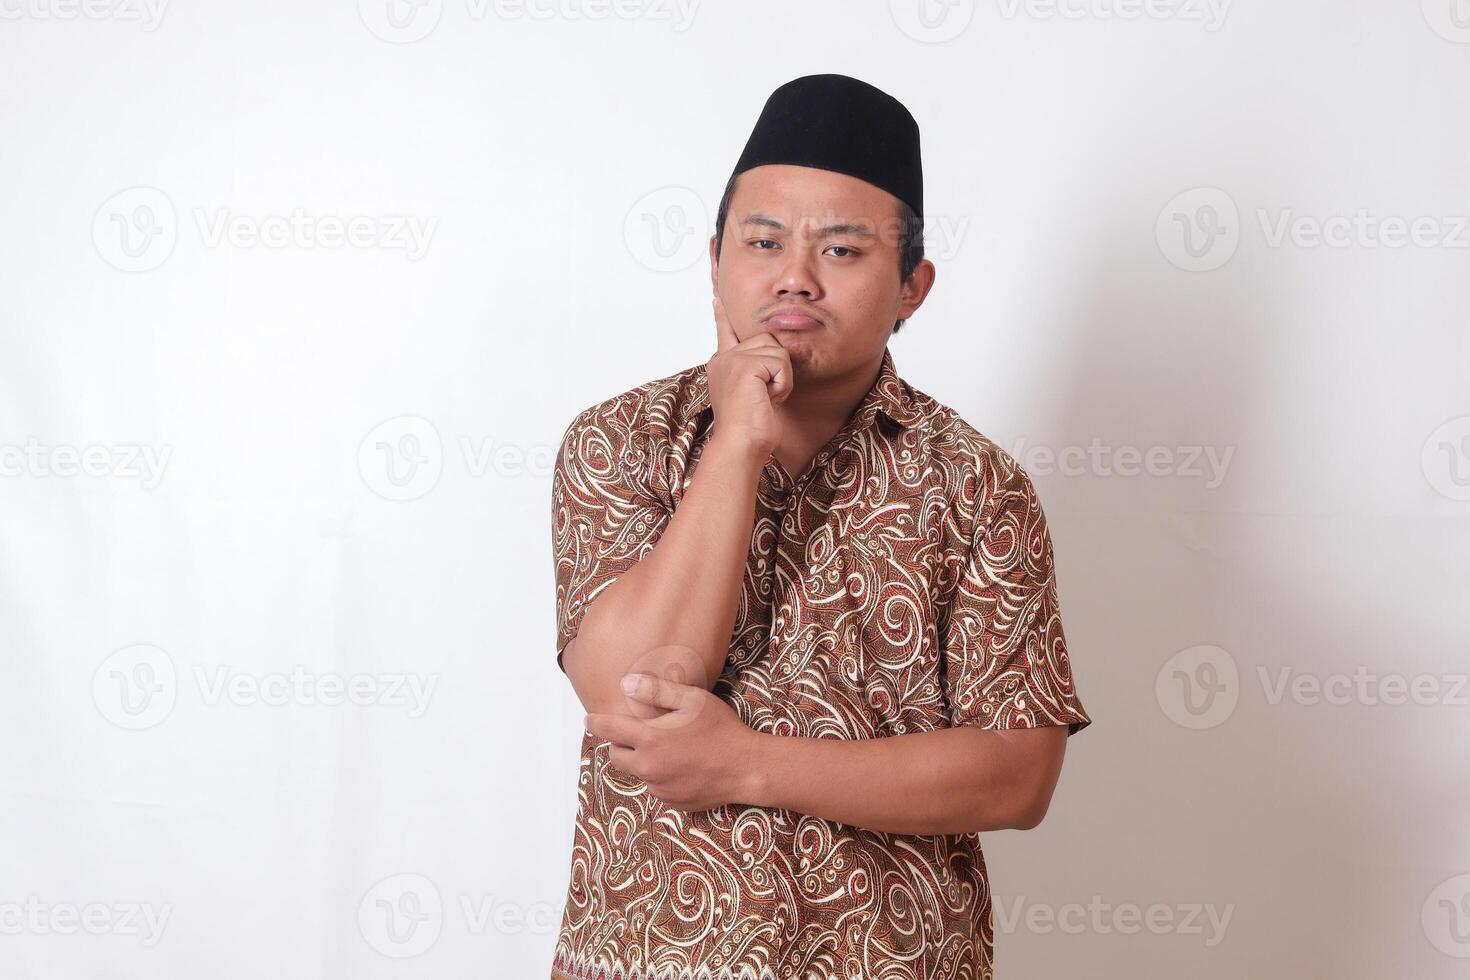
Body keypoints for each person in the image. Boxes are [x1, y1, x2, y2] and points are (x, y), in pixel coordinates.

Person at [549, 73, 1091, 980]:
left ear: (912, 287)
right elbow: (627, 694)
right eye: (763, 241)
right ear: (717, 256)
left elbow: (1018, 772)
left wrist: (750, 766)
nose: (793, 276)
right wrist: (734, 447)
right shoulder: (620, 442)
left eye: (842, 251)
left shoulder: (975, 486)